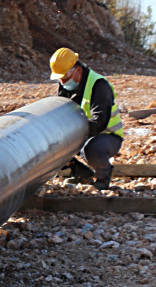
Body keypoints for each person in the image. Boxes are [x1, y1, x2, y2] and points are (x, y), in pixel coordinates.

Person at [49, 47, 124, 190]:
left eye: (65, 78)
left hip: (107, 136)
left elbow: (99, 122)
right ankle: (79, 171)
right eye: (60, 78)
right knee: (52, 143)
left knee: (91, 149)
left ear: (77, 70)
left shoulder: (99, 85)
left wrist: (72, 135)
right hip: (83, 132)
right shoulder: (66, 86)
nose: (63, 82)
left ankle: (103, 175)